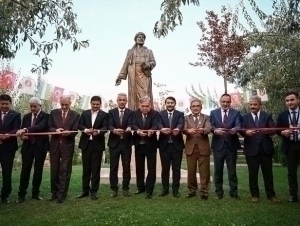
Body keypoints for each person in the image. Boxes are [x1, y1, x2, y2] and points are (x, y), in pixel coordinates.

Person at [240, 96, 281, 203]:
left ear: (260, 105)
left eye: (255, 104)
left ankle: (271, 195)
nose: (252, 106)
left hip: (265, 149)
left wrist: (269, 131)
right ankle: (255, 195)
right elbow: (241, 130)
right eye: (251, 104)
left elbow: (273, 130)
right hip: (251, 149)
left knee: (268, 173)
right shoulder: (244, 117)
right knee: (252, 174)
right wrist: (245, 133)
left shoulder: (267, 116)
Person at [15, 97, 49, 203]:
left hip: (40, 147)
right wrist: (23, 136)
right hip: (28, 147)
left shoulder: (46, 116)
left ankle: (35, 193)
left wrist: (25, 130)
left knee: (38, 171)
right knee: (25, 171)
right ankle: (21, 194)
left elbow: (40, 126)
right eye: (31, 106)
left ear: (40, 106)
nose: (33, 108)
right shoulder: (26, 116)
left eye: (35, 106)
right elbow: (21, 131)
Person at [48, 95, 80, 203]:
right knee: (54, 170)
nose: (64, 106)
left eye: (66, 104)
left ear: (70, 103)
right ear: (60, 103)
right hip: (55, 145)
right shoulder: (53, 113)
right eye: (62, 104)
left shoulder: (75, 115)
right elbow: (49, 127)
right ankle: (54, 192)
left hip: (67, 146)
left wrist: (69, 133)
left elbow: (75, 130)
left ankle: (62, 194)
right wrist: (55, 130)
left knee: (65, 170)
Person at [210, 93, 241, 200]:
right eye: (223, 101)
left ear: (230, 102)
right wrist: (215, 130)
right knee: (218, 171)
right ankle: (219, 192)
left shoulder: (236, 113)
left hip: (231, 145)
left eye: (228, 102)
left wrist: (235, 130)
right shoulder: (213, 112)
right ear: (220, 101)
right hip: (218, 145)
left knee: (232, 171)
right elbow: (211, 126)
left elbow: (238, 125)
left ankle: (234, 192)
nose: (225, 103)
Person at [76, 96, 108, 200]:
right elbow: (79, 124)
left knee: (95, 169)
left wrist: (98, 131)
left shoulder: (104, 115)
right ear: (90, 103)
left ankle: (94, 191)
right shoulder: (84, 113)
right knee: (86, 169)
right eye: (93, 104)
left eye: (97, 104)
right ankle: (85, 190)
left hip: (97, 145)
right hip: (86, 144)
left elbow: (106, 127)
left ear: (100, 104)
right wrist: (85, 130)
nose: (95, 106)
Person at [115, 32, 156, 110]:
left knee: (146, 94)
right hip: (133, 74)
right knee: (134, 96)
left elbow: (153, 62)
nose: (141, 38)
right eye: (139, 37)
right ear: (136, 39)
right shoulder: (130, 51)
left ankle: (147, 113)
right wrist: (120, 77)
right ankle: (134, 112)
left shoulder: (149, 51)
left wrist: (148, 65)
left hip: (144, 74)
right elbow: (126, 64)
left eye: (142, 38)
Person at [183, 99, 211, 200]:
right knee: (191, 171)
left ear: (201, 107)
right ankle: (192, 190)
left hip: (203, 148)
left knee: (204, 171)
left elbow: (209, 128)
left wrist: (203, 130)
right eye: (193, 106)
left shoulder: (206, 117)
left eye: (197, 106)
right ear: (190, 108)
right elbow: (184, 129)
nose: (195, 108)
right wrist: (187, 131)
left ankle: (204, 191)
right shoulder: (186, 118)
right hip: (190, 148)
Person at [132, 96, 159, 199]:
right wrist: (138, 131)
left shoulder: (155, 113)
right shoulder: (135, 113)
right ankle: (140, 187)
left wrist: (152, 130)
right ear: (139, 105)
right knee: (139, 168)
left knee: (151, 169)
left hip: (150, 145)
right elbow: (133, 124)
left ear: (150, 105)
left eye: (147, 106)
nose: (145, 108)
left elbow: (156, 125)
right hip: (139, 145)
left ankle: (149, 190)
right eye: (143, 106)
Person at [107, 93, 133, 197]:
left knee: (126, 167)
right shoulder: (111, 112)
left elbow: (132, 123)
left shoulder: (130, 112)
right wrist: (114, 130)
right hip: (114, 143)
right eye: (120, 100)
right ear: (117, 101)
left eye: (124, 100)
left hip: (126, 143)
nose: (122, 101)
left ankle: (125, 188)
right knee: (113, 167)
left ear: (126, 101)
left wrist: (129, 128)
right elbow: (109, 125)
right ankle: (114, 189)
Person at [158, 96, 184, 198]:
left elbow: (181, 123)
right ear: (165, 104)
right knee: (165, 169)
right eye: (168, 102)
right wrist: (161, 128)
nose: (170, 104)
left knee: (176, 169)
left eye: (172, 102)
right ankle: (165, 189)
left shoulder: (180, 114)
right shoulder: (160, 114)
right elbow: (158, 123)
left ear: (175, 104)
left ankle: (175, 190)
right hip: (164, 146)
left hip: (176, 146)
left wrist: (178, 128)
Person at [276, 91, 300, 202]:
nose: (289, 102)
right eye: (287, 100)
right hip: (289, 146)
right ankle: (293, 194)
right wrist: (282, 132)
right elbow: (277, 129)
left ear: (298, 100)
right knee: (291, 172)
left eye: (292, 99)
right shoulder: (282, 115)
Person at [0, 94, 21, 204]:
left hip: (8, 148)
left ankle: (5, 195)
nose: (4, 106)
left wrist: (8, 134)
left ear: (10, 104)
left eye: (6, 104)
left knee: (6, 172)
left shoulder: (16, 115)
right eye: (2, 103)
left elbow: (17, 128)